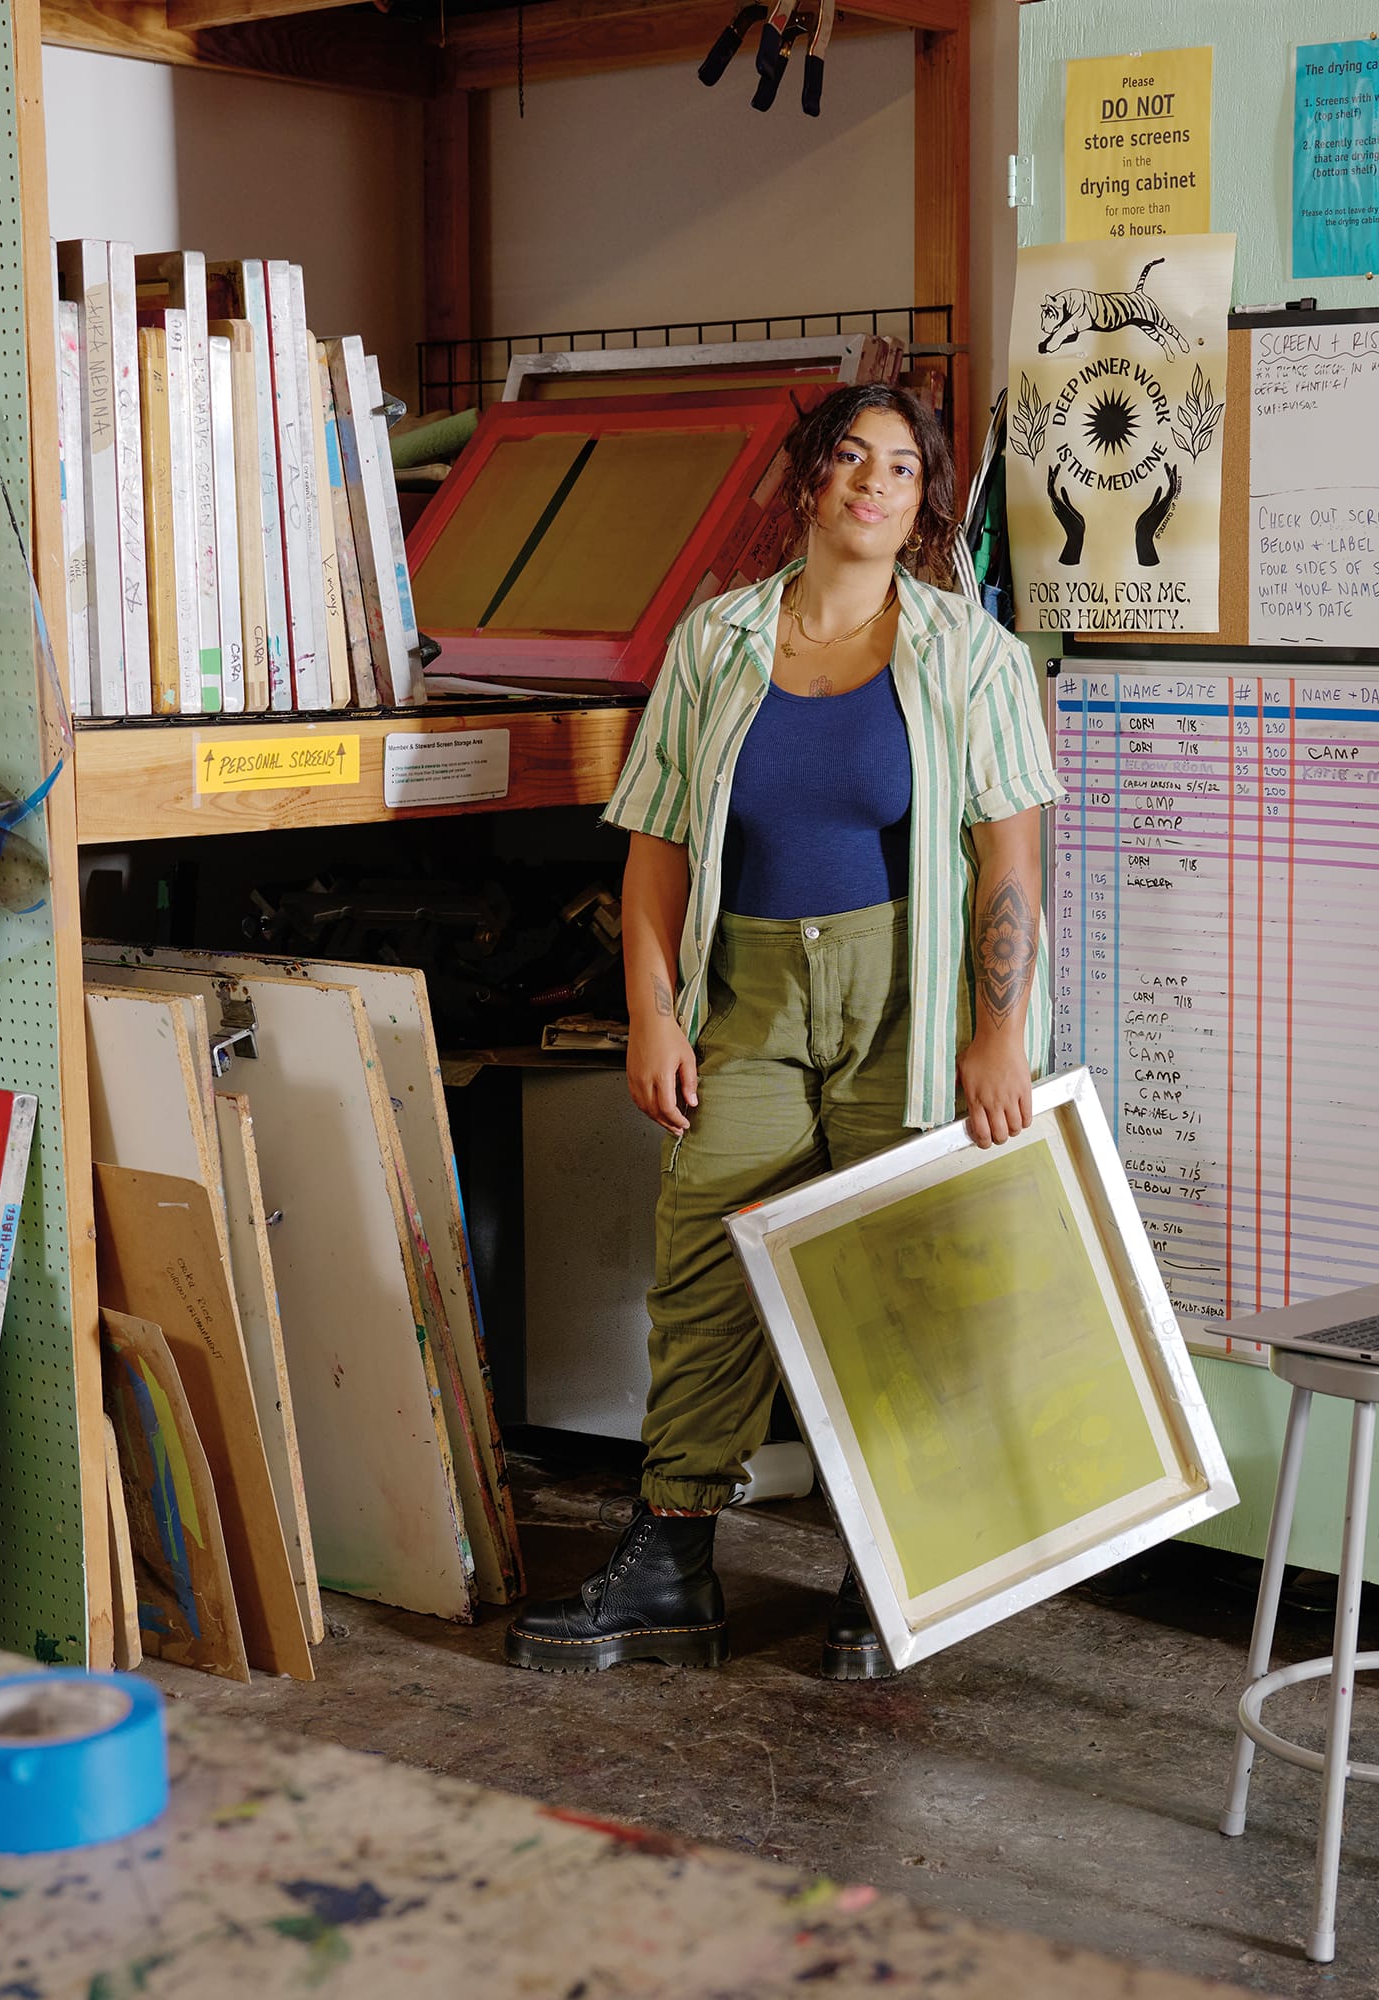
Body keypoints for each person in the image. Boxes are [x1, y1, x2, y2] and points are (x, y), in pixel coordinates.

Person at [504, 383, 1062, 1681]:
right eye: (852, 457)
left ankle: (886, 1565)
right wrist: (652, 1017)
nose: (874, 482)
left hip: (905, 1005)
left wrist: (997, 1037)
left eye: (904, 468)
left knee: (893, 1281)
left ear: (924, 507)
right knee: (703, 1271)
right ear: (811, 479)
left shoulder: (969, 655)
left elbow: (1009, 861)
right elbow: (656, 848)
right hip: (748, 999)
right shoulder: (717, 642)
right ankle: (672, 1565)